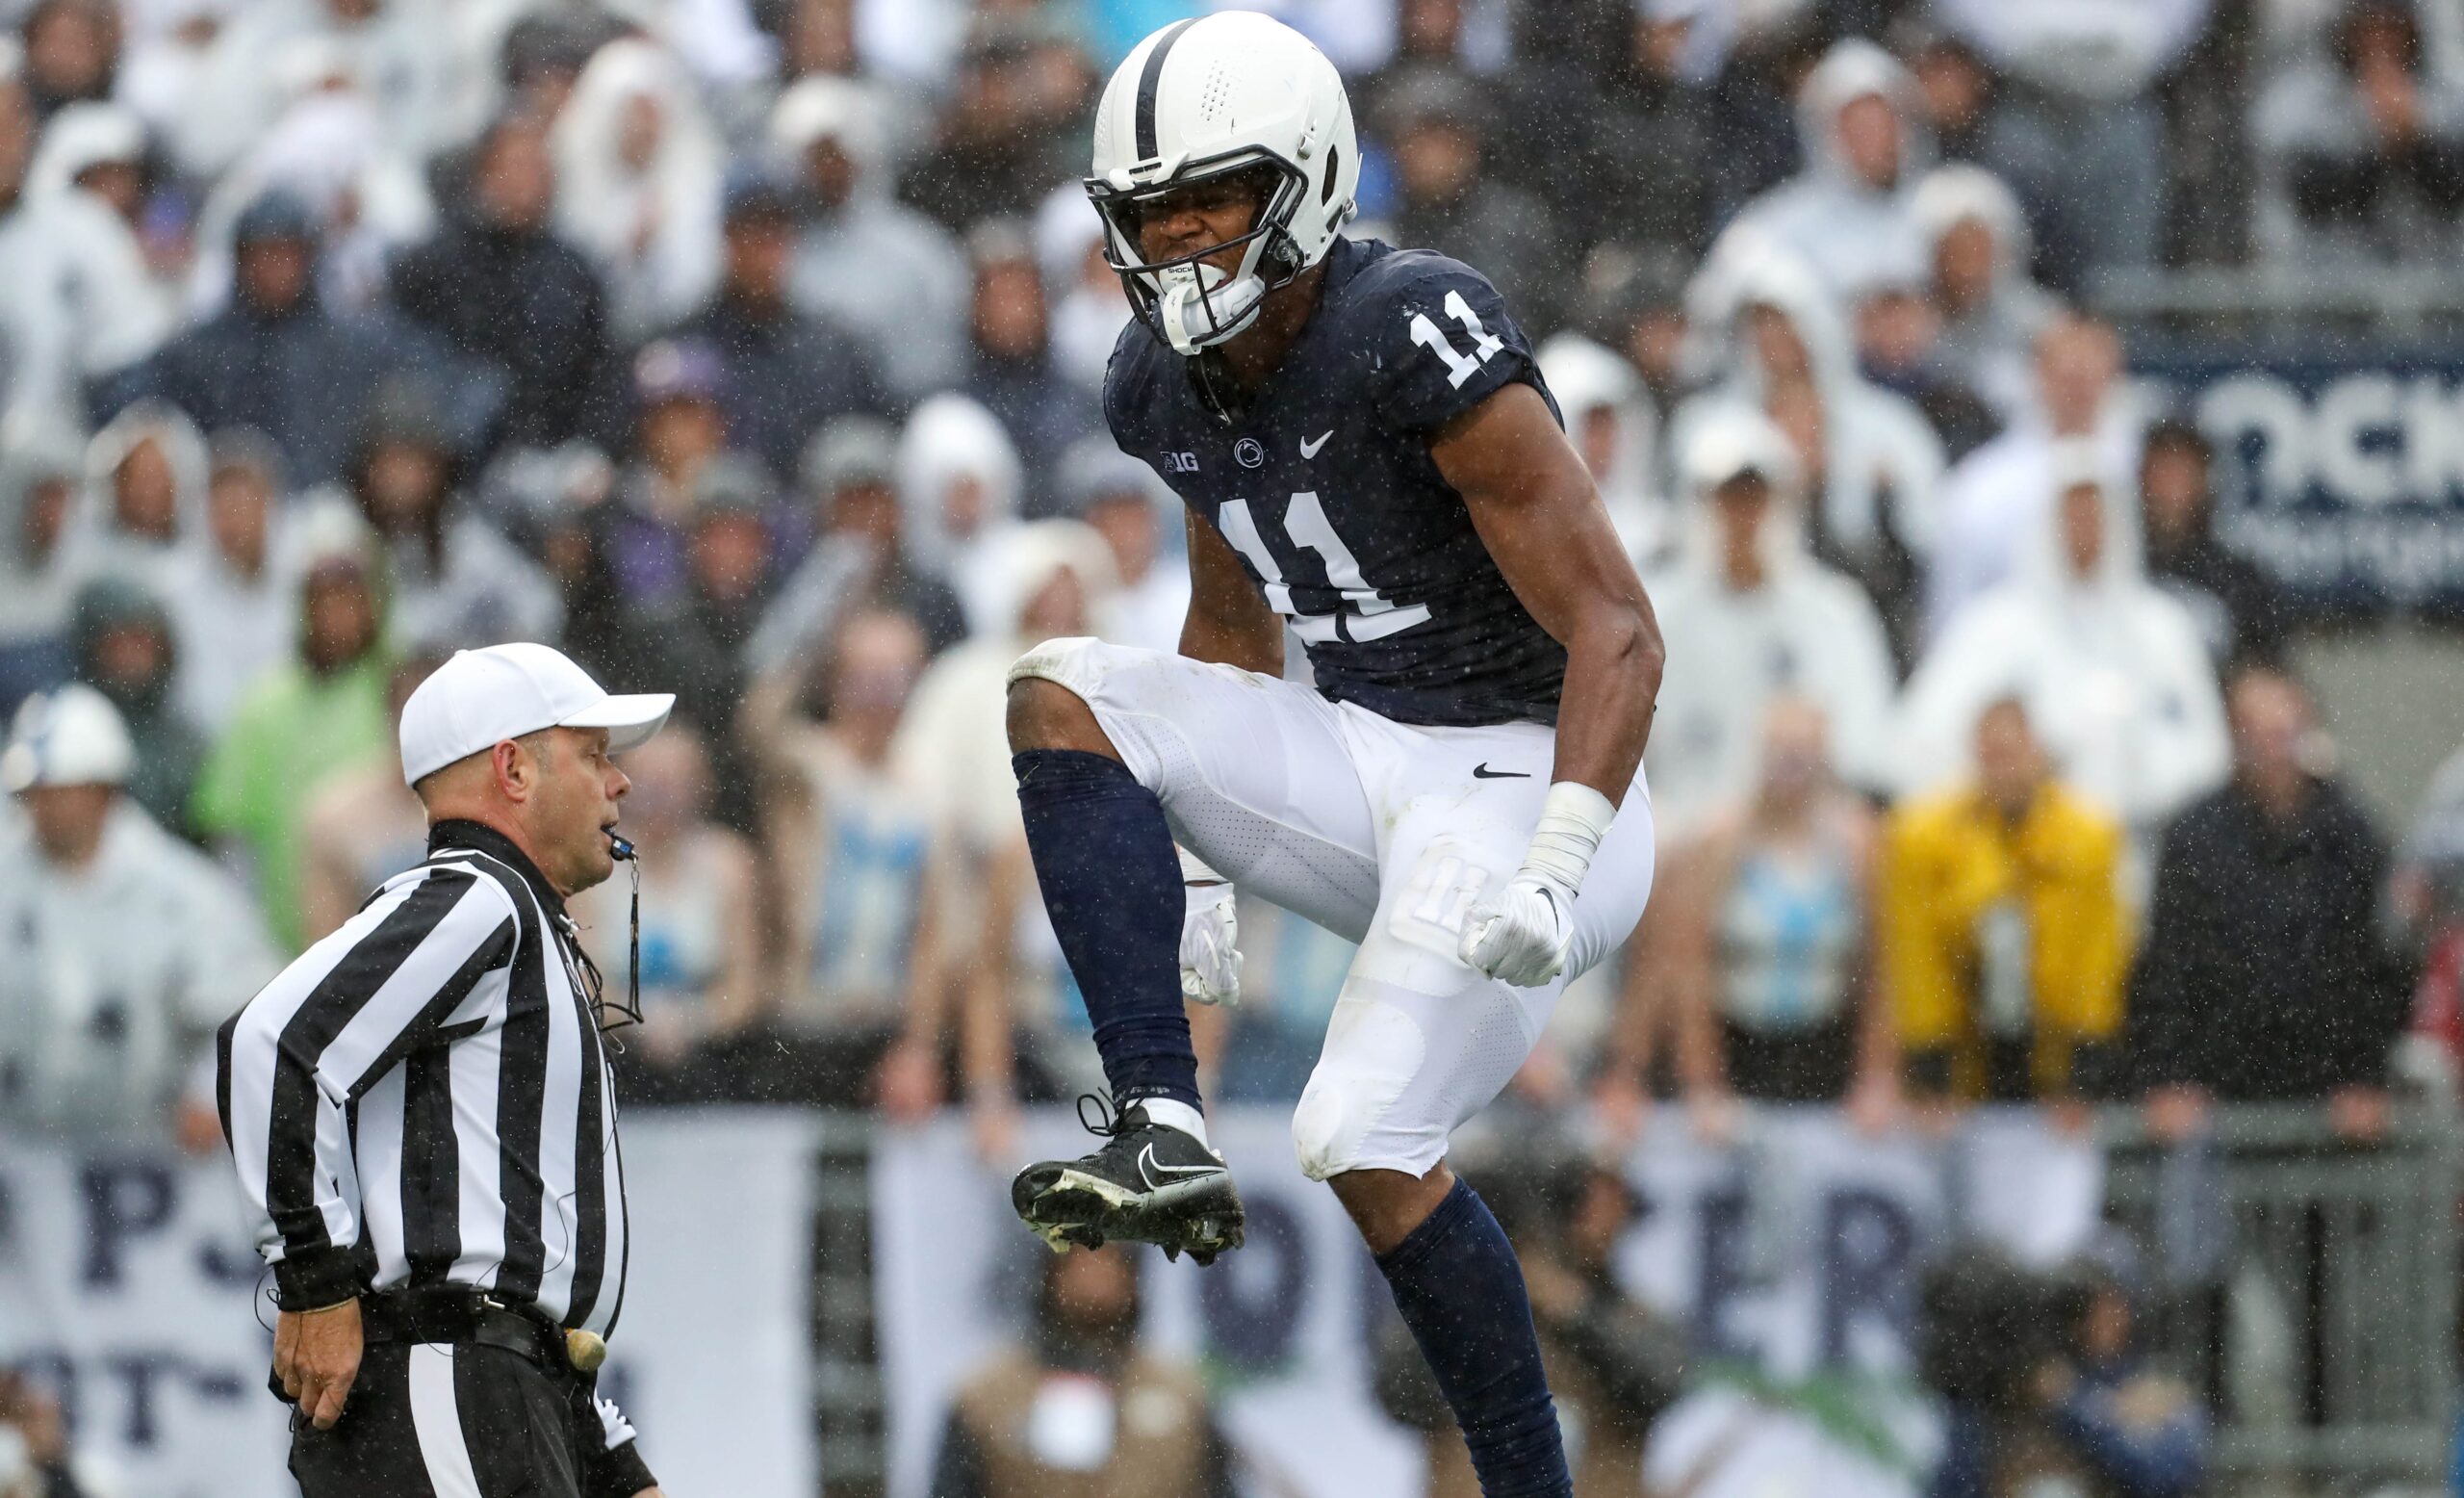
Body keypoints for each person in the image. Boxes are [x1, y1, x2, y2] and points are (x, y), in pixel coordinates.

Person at [1004, 20, 1663, 1498]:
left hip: (1533, 780)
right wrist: (1191, 860)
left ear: (1302, 181)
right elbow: (1228, 620)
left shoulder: (1410, 326)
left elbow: (1622, 627)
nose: (1175, 244)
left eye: (1209, 203)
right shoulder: (1157, 382)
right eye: (1147, 214)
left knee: (1357, 1132)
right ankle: (1159, 1121)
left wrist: (1560, 860)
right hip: (1370, 762)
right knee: (1059, 691)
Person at [218, 642, 670, 1495]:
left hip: (511, 1387)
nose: (622, 783)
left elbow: (523, 1274)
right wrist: (314, 1282)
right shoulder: (479, 898)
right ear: (514, 769)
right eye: (595, 754)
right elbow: (270, 1041)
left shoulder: (511, 918)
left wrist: (610, 1458)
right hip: (452, 1382)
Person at [2133, 667, 2416, 1136]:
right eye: (2255, 732)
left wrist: (2366, 1077)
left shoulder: (2351, 837)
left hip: (2325, 1097)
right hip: (2217, 1095)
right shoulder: (2195, 838)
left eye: (2284, 732)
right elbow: (2167, 965)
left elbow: (2378, 965)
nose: (2271, 748)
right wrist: (2168, 1074)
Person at [1895, 452, 2230, 841]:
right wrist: (2027, 770)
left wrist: (2123, 768)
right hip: (2012, 855)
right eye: (2072, 515)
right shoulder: (1993, 625)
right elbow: (1914, 745)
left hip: (2139, 848)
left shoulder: (2162, 627)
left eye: (2095, 514)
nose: (2084, 529)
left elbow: (2209, 756)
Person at [0, 684, 276, 1146]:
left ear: (104, 791)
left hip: (151, 1160)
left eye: (62, 790)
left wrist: (211, 1090)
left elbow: (254, 1009)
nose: (46, 807)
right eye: (36, 792)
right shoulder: (8, 878)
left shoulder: (181, 892)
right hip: (21, 1153)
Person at [1613, 698, 1894, 1134]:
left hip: (1826, 1053)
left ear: (1825, 758)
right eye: (1781, 753)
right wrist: (1703, 1083)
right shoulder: (1719, 843)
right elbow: (1685, 972)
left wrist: (1876, 1077)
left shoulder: (1858, 845)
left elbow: (1879, 973)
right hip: (1739, 1047)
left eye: (1803, 754)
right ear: (1760, 756)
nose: (1791, 767)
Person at [1642, 405, 1898, 834]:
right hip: (1684, 838)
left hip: (1799, 844)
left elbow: (1865, 747)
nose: (1743, 517)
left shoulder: (1835, 611)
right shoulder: (1656, 616)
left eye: (1755, 499)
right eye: (1728, 499)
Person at [744, 608, 962, 1110]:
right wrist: (814, 631)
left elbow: (933, 935)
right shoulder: (808, 765)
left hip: (885, 1024)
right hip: (803, 1021)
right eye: (865, 676)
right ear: (836, 678)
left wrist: (920, 1046)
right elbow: (755, 723)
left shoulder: (928, 794)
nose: (879, 692)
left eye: (895, 676)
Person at [1883, 698, 2132, 1110]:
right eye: (1991, 754)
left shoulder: (2088, 836)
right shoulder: (1924, 836)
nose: (2005, 767)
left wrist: (2085, 1071)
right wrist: (1931, 1067)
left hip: (2051, 1048)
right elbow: (1917, 958)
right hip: (1966, 1046)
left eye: (2014, 752)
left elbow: (2097, 958)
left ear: (2038, 751)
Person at [191, 541, 395, 951]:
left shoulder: (399, 692)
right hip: (284, 944)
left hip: (390, 930)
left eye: (349, 602)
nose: (336, 617)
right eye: (324, 603)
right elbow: (231, 838)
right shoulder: (263, 705)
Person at [928, 1243, 1240, 1498]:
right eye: (1081, 1262)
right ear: (1050, 1275)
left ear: (1132, 1279)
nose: (1094, 1278)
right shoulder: (985, 1399)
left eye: (1108, 1262)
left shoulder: (1185, 1397)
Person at [390, 110, 613, 454]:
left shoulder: (573, 271)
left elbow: (596, 373)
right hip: (454, 453)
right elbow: (405, 360)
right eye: (512, 165)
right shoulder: (433, 264)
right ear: (484, 173)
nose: (524, 180)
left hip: (549, 452)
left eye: (535, 167)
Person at [664, 169, 889, 486]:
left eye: (777, 232)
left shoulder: (832, 348)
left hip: (811, 520)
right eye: (752, 232)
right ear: (727, 239)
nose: (766, 249)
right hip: (712, 524)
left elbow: (868, 449)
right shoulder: (682, 346)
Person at [568, 722, 761, 1089]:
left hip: (710, 1061)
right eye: (649, 782)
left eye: (673, 782)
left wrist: (690, 1020)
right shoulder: (592, 865)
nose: (660, 796)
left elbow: (743, 990)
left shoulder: (729, 864)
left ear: (701, 787)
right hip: (614, 1057)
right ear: (621, 786)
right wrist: (640, 1023)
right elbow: (584, 987)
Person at [771, 73, 970, 400]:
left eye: (835, 153)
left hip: (907, 406)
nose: (827, 168)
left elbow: (943, 358)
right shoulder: (776, 252)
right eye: (815, 156)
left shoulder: (920, 250)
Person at [2252, 0, 2464, 271]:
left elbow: (2452, 187)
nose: (2380, 43)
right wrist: (2376, 142)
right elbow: (2312, 195)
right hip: (2332, 284)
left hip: (2436, 282)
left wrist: (2418, 141)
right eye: (2367, 30)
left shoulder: (2447, 92)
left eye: (2392, 29)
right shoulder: (2302, 97)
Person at [297, 654, 444, 945]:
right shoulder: (337, 815)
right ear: (389, 716)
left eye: (437, 719)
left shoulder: (501, 811)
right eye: (409, 716)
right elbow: (323, 946)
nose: (421, 734)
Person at [2137, 417, 2293, 672]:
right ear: (2141, 481)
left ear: (2205, 483)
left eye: (2182, 473)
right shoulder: (2118, 569)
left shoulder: (2239, 581)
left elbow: (2266, 679)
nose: (2170, 489)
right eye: (2161, 473)